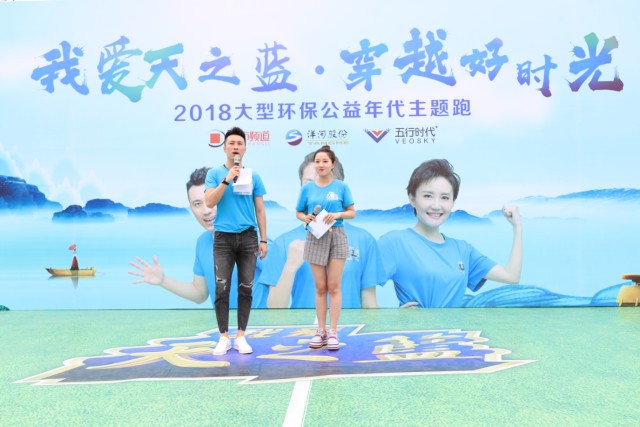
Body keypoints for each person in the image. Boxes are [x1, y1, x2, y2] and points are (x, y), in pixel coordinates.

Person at [377, 159, 523, 308]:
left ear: (453, 202)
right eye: (428, 196)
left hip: (456, 324)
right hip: (416, 324)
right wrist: (393, 317)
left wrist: (517, 226)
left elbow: (511, 276)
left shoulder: (462, 249)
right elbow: (364, 284)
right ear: (412, 198)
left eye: (445, 198)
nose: (436, 206)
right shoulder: (394, 242)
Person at [128, 167, 269, 310]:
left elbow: (279, 282)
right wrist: (163, 280)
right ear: (191, 208)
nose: (206, 211)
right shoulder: (203, 242)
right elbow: (200, 293)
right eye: (197, 204)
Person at [258, 150, 381, 310]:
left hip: (348, 326)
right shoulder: (284, 242)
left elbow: (369, 303)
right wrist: (290, 267)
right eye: (309, 182)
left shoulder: (364, 240)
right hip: (301, 326)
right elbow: (274, 308)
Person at [204, 127, 267, 356]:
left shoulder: (254, 176)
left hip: (249, 236)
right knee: (222, 288)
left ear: (245, 148)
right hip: (223, 237)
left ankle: (241, 335)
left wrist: (264, 239)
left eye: (239, 143)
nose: (235, 147)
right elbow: (209, 202)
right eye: (231, 143)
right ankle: (223, 337)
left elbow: (260, 210)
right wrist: (227, 179)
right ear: (224, 148)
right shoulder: (214, 174)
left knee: (246, 287)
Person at [294, 145, 355, 351]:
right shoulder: (307, 188)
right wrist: (305, 217)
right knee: (320, 287)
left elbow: (352, 212)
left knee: (334, 286)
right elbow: (299, 212)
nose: (321, 165)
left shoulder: (341, 187)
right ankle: (320, 331)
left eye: (325, 161)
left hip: (337, 235)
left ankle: (333, 331)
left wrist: (337, 215)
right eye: (317, 161)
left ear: (333, 164)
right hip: (315, 235)